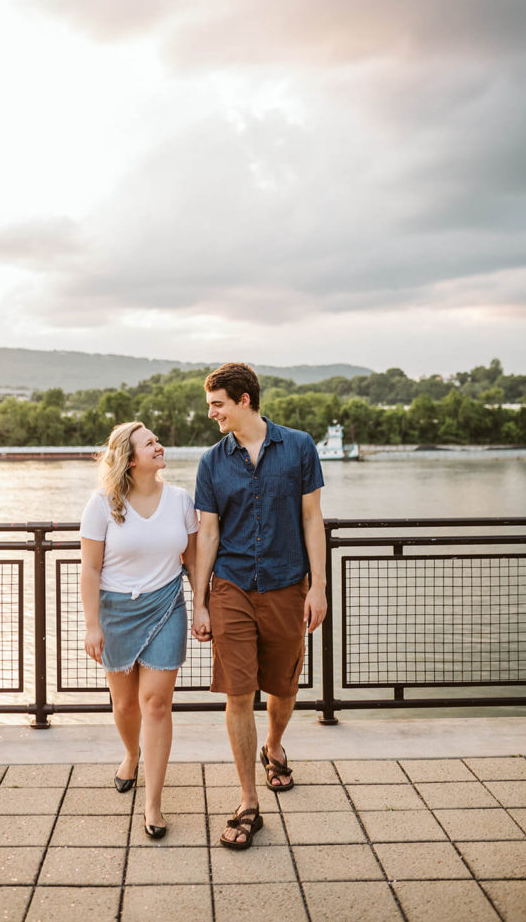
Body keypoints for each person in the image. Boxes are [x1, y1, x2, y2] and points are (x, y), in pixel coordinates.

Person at [192, 363, 326, 850]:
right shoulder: (212, 461)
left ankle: (273, 745)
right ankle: (249, 800)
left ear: (244, 400)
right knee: (238, 693)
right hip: (230, 588)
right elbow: (208, 532)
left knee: (283, 688)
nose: (211, 414)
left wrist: (318, 587)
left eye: (217, 404)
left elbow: (312, 518)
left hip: (287, 585)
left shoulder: (299, 447)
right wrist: (200, 601)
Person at [80, 421, 198, 839]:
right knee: (126, 705)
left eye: (157, 441)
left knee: (156, 704)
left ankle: (153, 804)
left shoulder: (181, 499)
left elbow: (195, 561)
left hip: (167, 606)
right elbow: (90, 568)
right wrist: (92, 625)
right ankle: (132, 754)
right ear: (130, 459)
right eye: (149, 443)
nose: (159, 446)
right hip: (115, 612)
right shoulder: (102, 504)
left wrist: (201, 607)